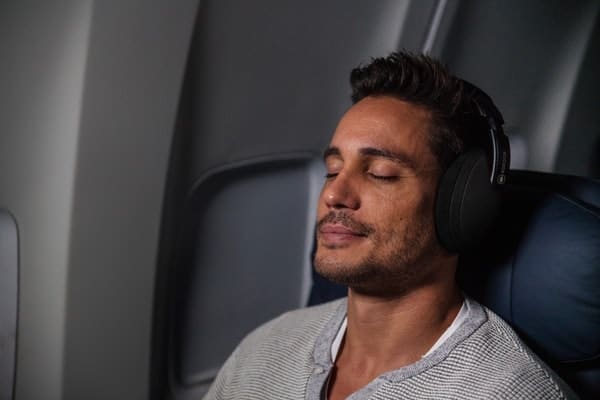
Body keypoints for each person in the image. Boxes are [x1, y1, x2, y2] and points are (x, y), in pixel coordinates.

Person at [203, 52, 578, 399]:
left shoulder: (512, 392)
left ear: (461, 204)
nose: (334, 194)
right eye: (332, 170)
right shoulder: (263, 350)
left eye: (380, 173)